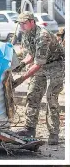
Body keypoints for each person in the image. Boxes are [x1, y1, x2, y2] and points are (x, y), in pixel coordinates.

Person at [12, 11, 64, 145]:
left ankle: (53, 133)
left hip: (55, 64)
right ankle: (29, 129)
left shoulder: (43, 35)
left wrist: (21, 78)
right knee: (32, 95)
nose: (22, 26)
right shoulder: (26, 34)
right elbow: (31, 55)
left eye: (24, 23)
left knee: (51, 97)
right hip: (41, 64)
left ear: (32, 22)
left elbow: (38, 63)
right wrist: (22, 63)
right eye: (20, 23)